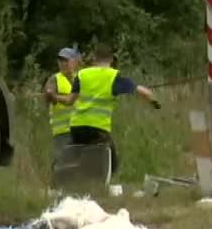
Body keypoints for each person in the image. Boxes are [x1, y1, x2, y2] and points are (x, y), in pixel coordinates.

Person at [68, 44, 161, 177]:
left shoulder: (82, 74)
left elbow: (70, 100)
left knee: (81, 159)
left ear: (94, 58)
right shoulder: (113, 77)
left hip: (76, 126)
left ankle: (78, 184)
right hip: (97, 128)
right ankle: (101, 187)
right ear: (112, 59)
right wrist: (155, 103)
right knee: (111, 163)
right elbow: (143, 92)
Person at [43, 47, 81, 164]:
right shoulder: (54, 79)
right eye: (60, 60)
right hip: (62, 131)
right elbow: (50, 93)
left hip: (80, 129)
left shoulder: (80, 78)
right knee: (64, 162)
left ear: (74, 61)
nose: (62, 63)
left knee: (80, 162)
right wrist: (51, 95)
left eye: (66, 60)